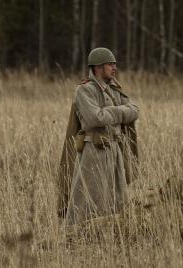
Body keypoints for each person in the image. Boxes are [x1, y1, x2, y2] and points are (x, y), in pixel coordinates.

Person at [58, 47, 139, 225]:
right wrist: (119, 112)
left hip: (115, 151)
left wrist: (110, 112)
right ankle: (75, 236)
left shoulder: (115, 89)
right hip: (93, 152)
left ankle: (110, 233)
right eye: (110, 64)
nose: (114, 68)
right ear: (98, 67)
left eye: (114, 64)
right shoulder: (84, 90)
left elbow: (134, 110)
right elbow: (94, 118)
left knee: (117, 200)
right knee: (85, 199)